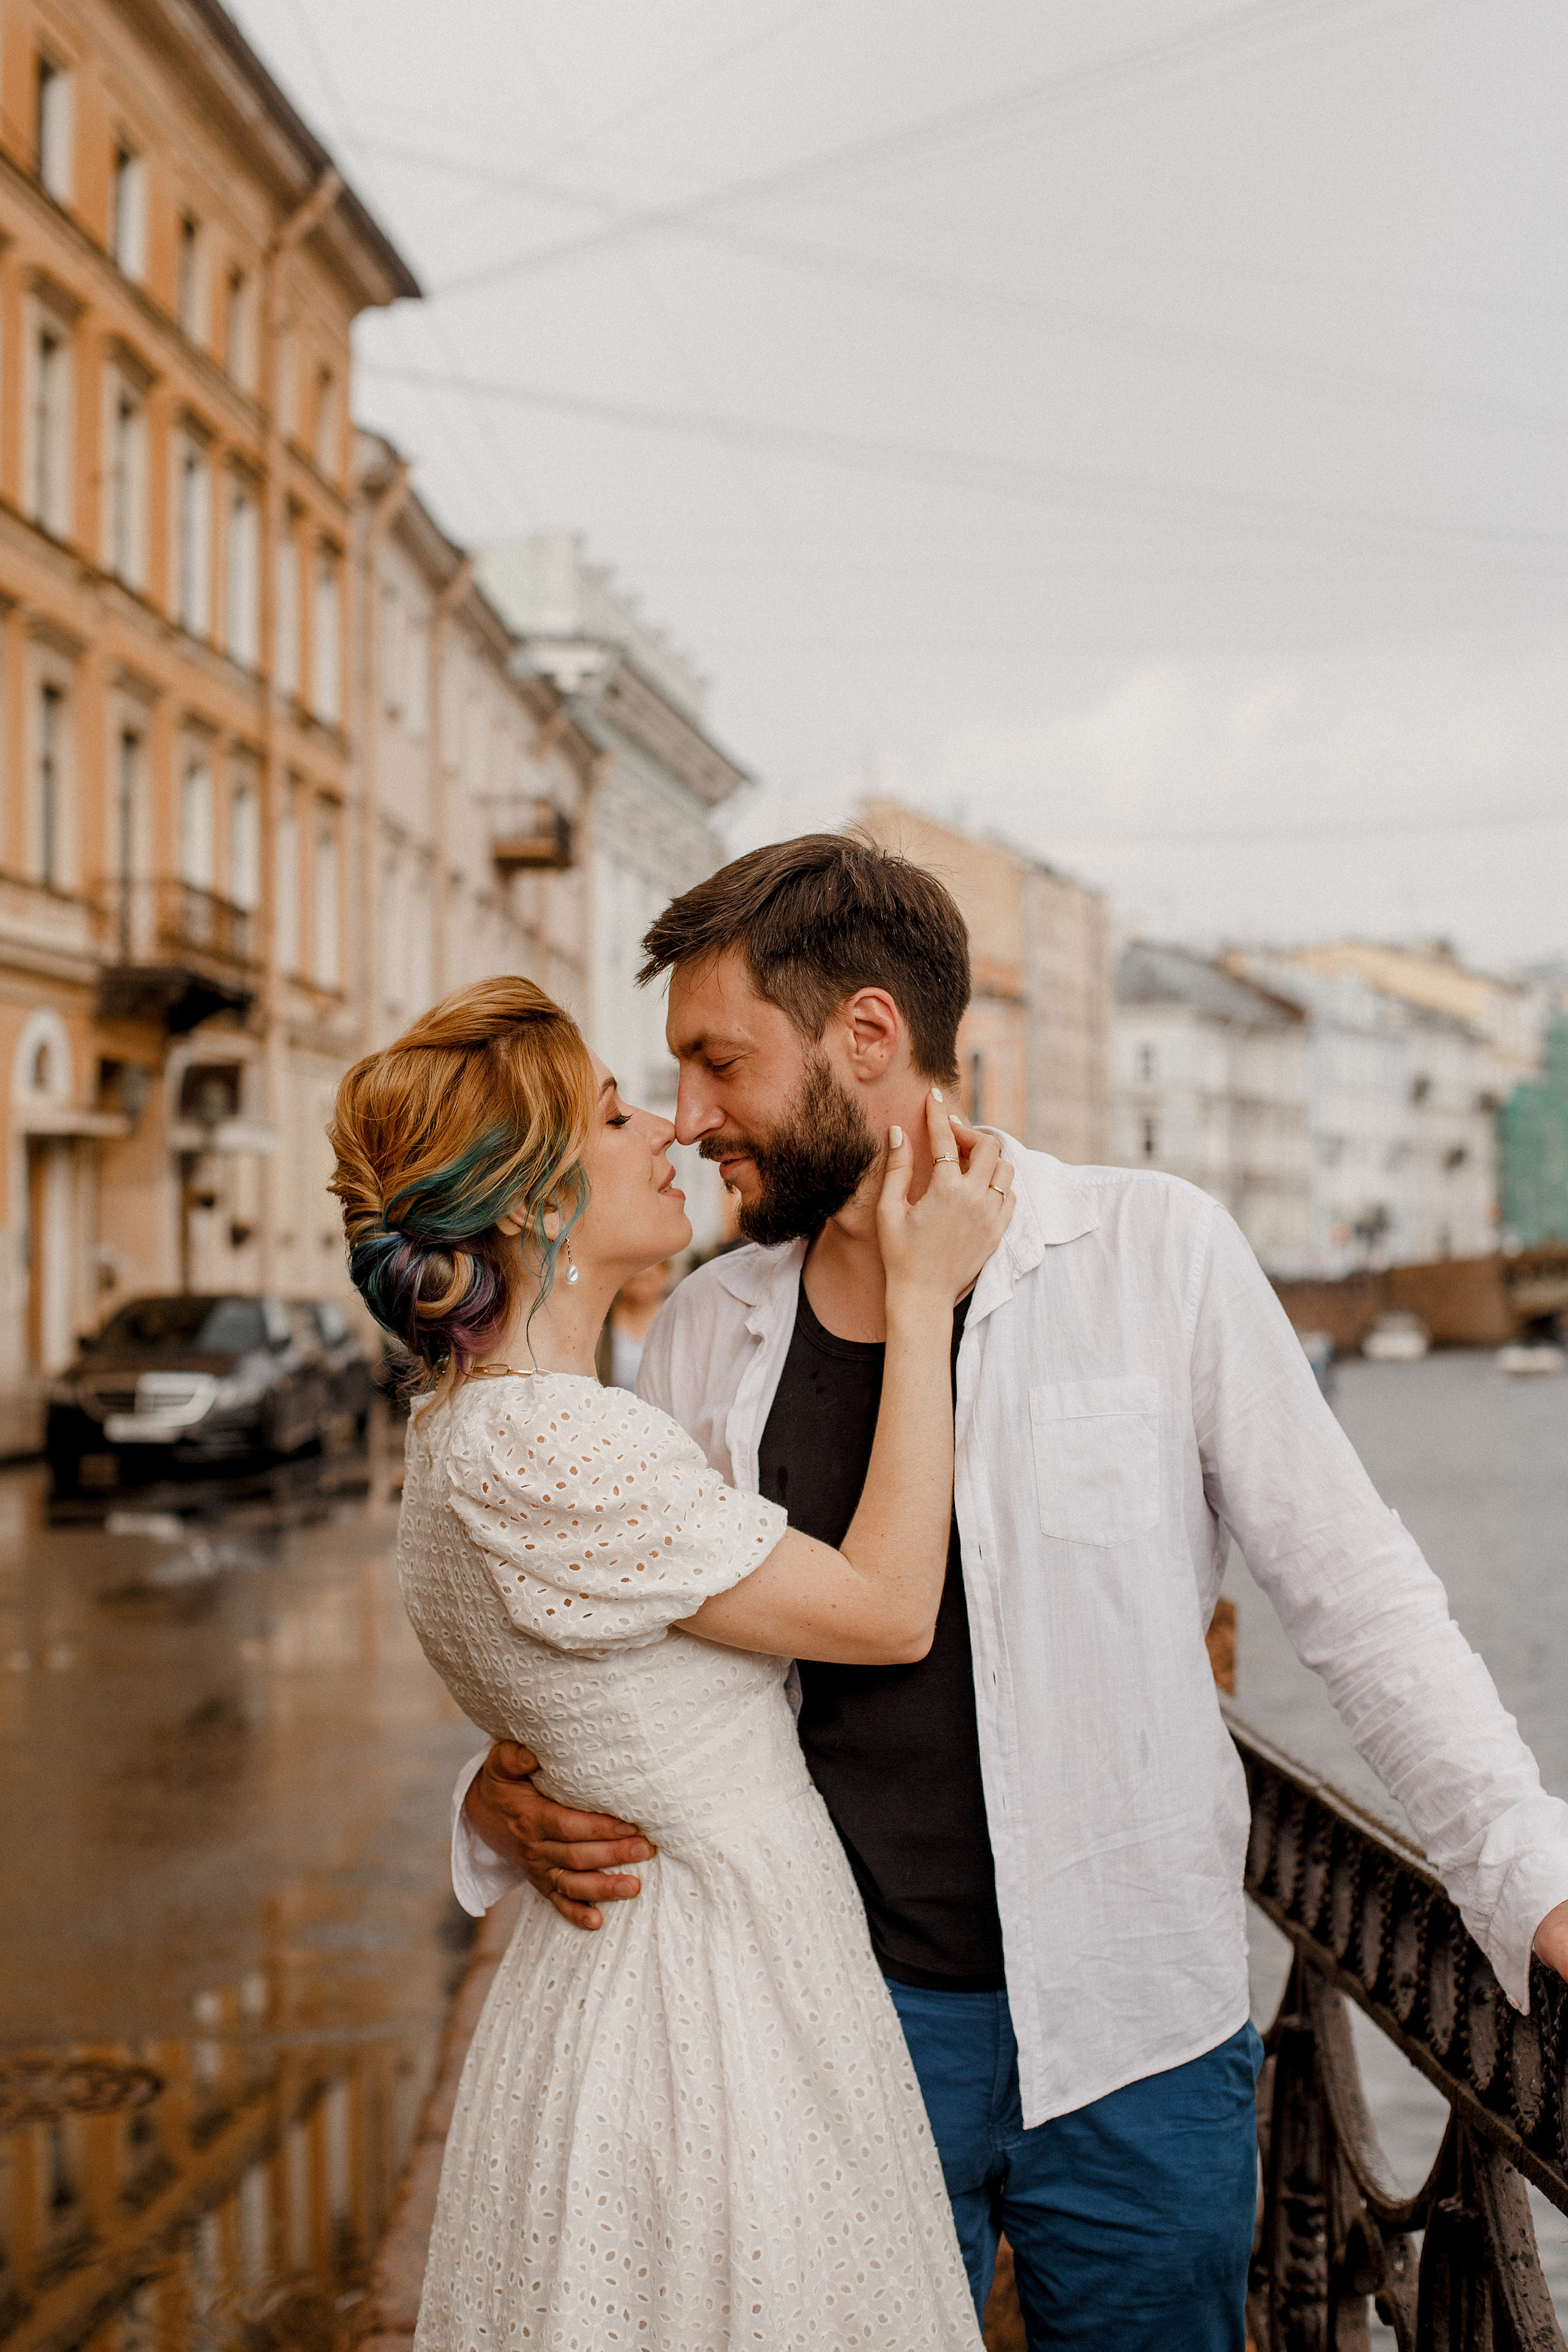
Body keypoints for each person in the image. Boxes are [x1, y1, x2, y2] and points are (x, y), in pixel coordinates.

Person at [458, 835, 1568, 2352]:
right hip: (826, 2019)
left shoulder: (1151, 1252)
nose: (691, 1116)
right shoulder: (712, 1324)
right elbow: (635, 1640)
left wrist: (1529, 1873)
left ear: (866, 1037)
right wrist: (495, 1797)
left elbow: (1357, 1597)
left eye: (720, 1062)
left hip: (1135, 2031)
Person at [328, 975, 1014, 2352]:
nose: (667, 1131)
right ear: (530, 1202)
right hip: (711, 2001)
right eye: (613, 1110)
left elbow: (582, 1688)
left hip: (625, 1976)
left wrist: (492, 1799)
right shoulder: (556, 1438)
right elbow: (886, 1611)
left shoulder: (475, 1433)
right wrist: (924, 1296)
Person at [595, 1254, 673, 1390]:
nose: (640, 1288)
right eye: (633, 1280)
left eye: (649, 1279)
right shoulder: (602, 1320)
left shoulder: (676, 1320)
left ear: (665, 1276)